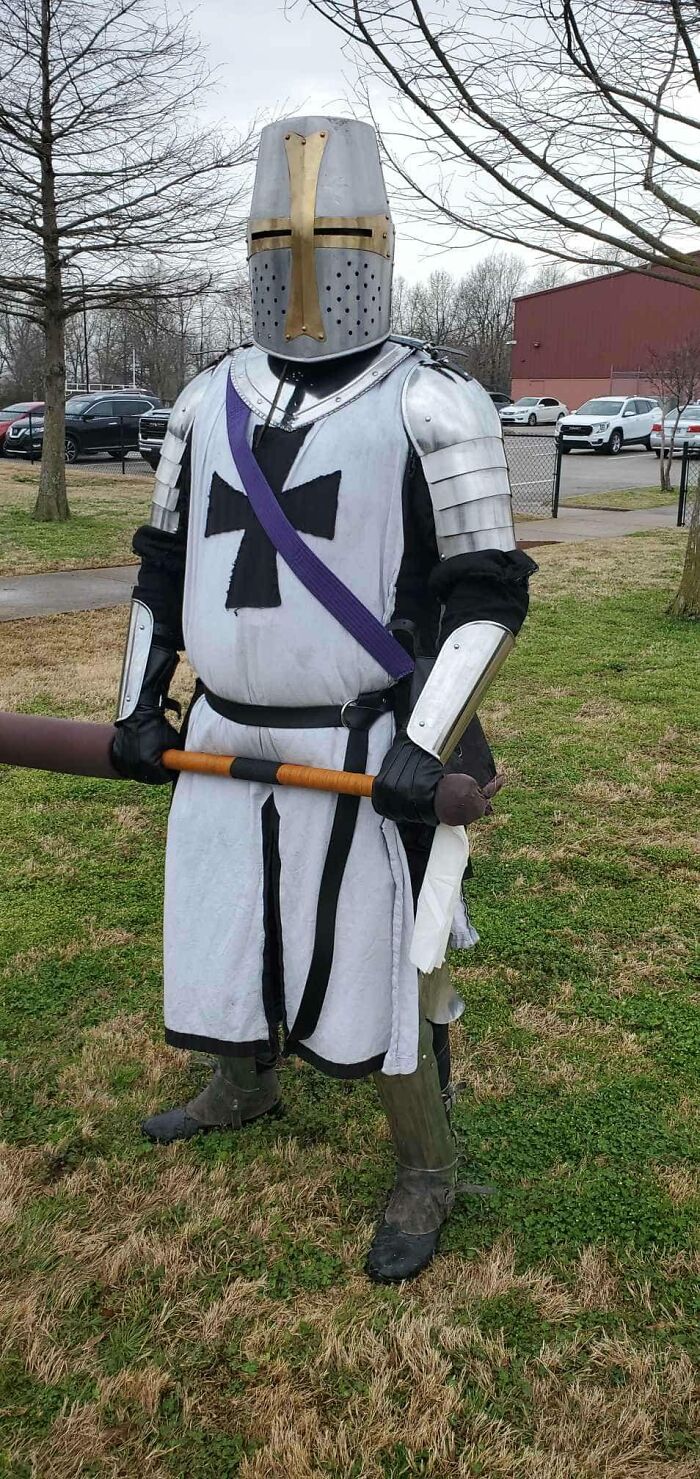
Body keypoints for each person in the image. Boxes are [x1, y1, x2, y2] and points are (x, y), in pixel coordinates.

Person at [112, 116, 535, 1282]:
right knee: (228, 917)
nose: (302, 268)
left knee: (394, 964)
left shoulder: (434, 402)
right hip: (222, 732)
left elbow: (487, 596)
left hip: (367, 744)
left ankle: (427, 1166)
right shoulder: (205, 399)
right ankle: (240, 1083)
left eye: (329, 240)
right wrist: (141, 704)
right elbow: (163, 565)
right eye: (279, 243)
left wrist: (422, 741)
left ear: (374, 245)